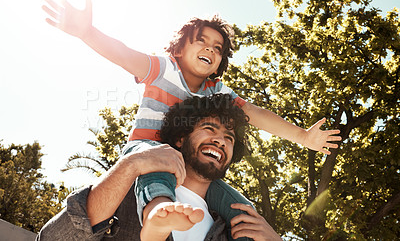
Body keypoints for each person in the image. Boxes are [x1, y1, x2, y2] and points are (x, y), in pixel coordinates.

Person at [42, 0, 341, 240]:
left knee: (242, 209)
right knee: (156, 169)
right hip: (146, 150)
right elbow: (122, 53)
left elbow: (255, 114)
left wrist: (303, 136)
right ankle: (158, 213)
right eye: (201, 41)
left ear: (220, 62)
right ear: (181, 46)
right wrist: (86, 32)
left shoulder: (216, 92)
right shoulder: (161, 69)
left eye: (218, 49)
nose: (210, 49)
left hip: (186, 162)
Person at [36, 94, 282, 240]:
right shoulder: (127, 192)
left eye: (229, 138)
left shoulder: (229, 227)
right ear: (180, 139)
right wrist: (130, 165)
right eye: (210, 129)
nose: (221, 140)